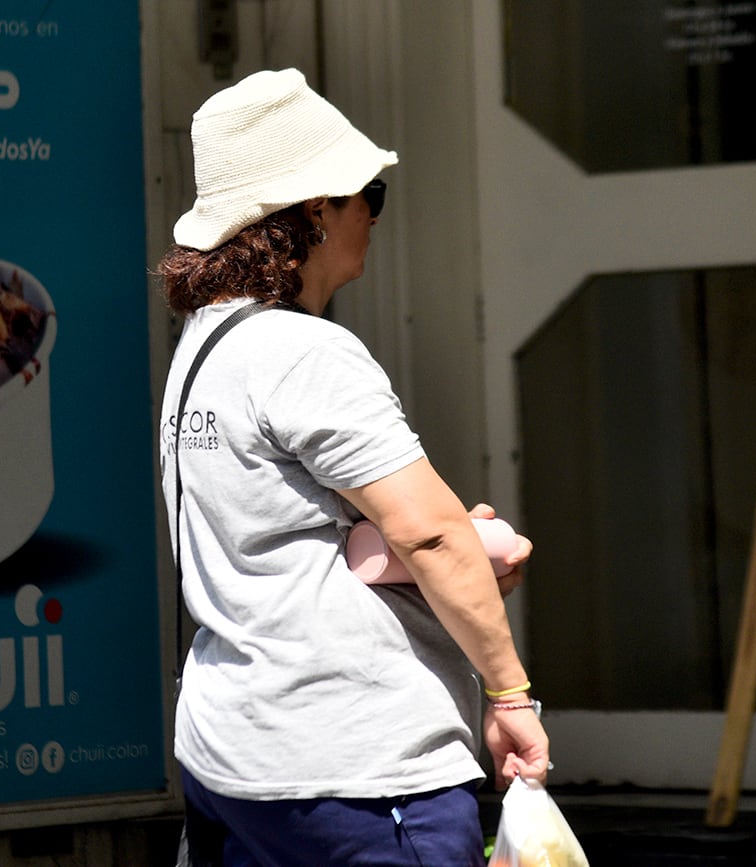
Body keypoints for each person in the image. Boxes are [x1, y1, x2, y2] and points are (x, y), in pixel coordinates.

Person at [158, 68, 549, 866]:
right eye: (365, 191)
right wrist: (510, 693)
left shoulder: (206, 346)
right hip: (355, 767)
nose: (373, 211)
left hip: (231, 753)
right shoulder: (304, 350)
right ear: (313, 211)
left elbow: (287, 535)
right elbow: (431, 534)